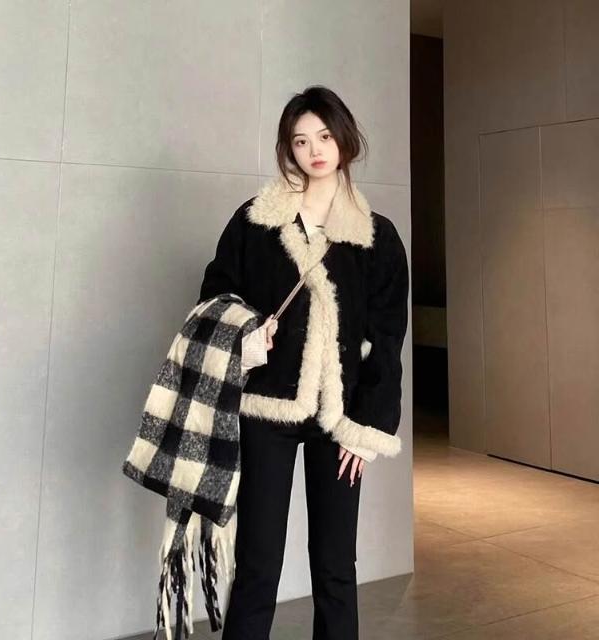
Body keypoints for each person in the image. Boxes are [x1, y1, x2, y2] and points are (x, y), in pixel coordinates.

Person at [196, 85, 409, 640]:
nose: (314, 150)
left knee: (337, 566)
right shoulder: (256, 222)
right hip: (267, 410)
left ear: (344, 140)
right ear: (287, 149)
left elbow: (387, 338)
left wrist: (366, 429)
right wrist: (248, 338)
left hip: (340, 420)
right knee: (258, 564)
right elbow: (215, 296)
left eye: (324, 136)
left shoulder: (378, 237)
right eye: (300, 140)